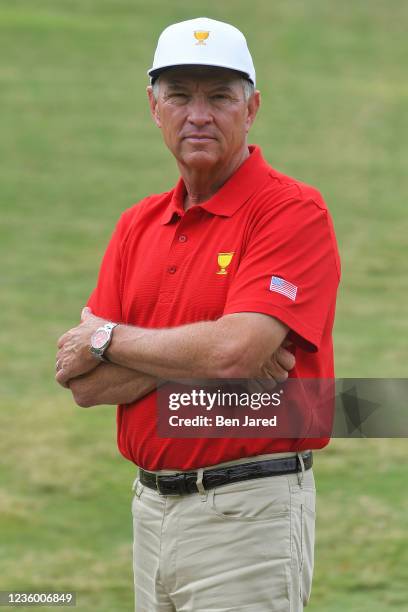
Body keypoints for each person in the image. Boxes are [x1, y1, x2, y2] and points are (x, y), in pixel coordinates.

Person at [55, 17, 340, 612]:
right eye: (180, 95)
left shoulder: (291, 212)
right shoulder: (138, 224)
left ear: (252, 106)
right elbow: (86, 384)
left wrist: (107, 337)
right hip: (149, 512)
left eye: (220, 96)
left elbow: (233, 352)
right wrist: (205, 357)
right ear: (154, 108)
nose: (199, 114)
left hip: (249, 514)